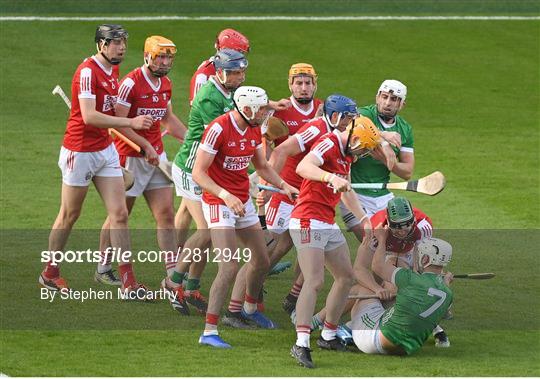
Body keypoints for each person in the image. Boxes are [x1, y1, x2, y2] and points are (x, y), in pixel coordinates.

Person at [39, 24, 152, 291]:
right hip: (79, 152)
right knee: (70, 214)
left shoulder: (112, 71)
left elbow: (112, 119)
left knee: (120, 214)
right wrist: (132, 122)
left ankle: (129, 283)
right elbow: (89, 116)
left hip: (105, 150)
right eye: (115, 42)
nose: (122, 47)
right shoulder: (87, 72)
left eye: (124, 42)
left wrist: (144, 144)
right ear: (101, 44)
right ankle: (50, 272)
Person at [193, 86, 298, 348]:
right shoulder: (218, 129)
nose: (267, 113)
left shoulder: (254, 128)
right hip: (219, 203)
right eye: (262, 108)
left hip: (242, 201)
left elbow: (261, 166)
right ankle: (209, 331)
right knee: (228, 267)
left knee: (262, 260)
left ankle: (250, 308)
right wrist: (225, 195)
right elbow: (198, 173)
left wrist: (284, 186)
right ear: (247, 107)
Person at [289, 116, 389, 369]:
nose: (364, 153)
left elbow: (347, 192)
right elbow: (304, 166)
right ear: (354, 137)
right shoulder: (329, 143)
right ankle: (301, 343)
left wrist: (364, 218)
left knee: (345, 277)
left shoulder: (347, 156)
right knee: (314, 280)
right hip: (306, 220)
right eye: (363, 147)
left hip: (326, 221)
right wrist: (330, 178)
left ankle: (328, 335)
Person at [225, 63, 322, 317]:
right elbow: (268, 148)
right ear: (290, 85)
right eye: (298, 82)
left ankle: (295, 296)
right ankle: (238, 306)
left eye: (308, 82)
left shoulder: (323, 111)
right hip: (284, 191)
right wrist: (268, 185)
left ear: (315, 84)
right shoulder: (279, 113)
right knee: (267, 251)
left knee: (308, 246)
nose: (303, 87)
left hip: (309, 193)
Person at [95, 36, 187, 303]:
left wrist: (194, 139)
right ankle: (104, 266)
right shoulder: (130, 84)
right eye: (160, 57)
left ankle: (172, 275)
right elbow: (118, 124)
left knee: (166, 214)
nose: (165, 62)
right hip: (129, 158)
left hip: (155, 156)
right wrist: (145, 145)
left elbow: (168, 119)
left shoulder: (165, 84)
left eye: (169, 57)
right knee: (120, 215)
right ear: (147, 56)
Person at [350, 234, 453, 355]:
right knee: (393, 304)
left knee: (361, 289)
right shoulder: (448, 293)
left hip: (375, 340)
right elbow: (445, 314)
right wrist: (445, 284)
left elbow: (376, 267)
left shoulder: (410, 278)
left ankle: (332, 330)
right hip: (406, 349)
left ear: (425, 259)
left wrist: (382, 239)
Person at [340, 79, 415, 239]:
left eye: (394, 99)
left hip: (383, 195)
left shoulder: (405, 129)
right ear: (377, 97)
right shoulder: (364, 114)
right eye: (384, 96)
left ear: (402, 104)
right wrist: (383, 136)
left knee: (401, 239)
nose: (387, 103)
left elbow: (407, 172)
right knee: (373, 241)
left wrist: (388, 162)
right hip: (354, 193)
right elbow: (353, 127)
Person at [189, 28, 250, 105]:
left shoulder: (235, 70)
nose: (241, 57)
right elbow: (197, 108)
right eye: (239, 52)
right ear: (225, 50)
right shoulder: (203, 75)